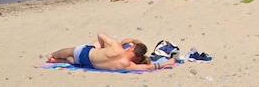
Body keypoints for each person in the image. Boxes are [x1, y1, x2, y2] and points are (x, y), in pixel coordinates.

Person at [46, 33, 174, 71]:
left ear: (131, 48)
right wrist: (167, 62)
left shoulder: (117, 47)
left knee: (68, 51)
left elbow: (100, 34)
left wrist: (102, 47)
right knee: (69, 59)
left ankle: (52, 55)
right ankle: (57, 60)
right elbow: (149, 67)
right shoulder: (128, 65)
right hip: (88, 64)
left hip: (85, 53)